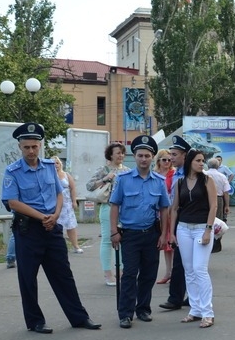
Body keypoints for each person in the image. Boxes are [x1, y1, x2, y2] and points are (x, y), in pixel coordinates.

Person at [1, 123, 101, 333]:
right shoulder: (13, 171)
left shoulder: (49, 167)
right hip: (29, 230)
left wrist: (54, 216)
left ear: (40, 146)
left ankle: (79, 317)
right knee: (28, 278)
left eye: (34, 146)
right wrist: (42, 217)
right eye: (27, 147)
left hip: (52, 228)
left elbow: (58, 193)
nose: (31, 151)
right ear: (20, 147)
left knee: (63, 275)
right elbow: (12, 202)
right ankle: (35, 321)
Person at [109, 136, 170, 328]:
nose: (143, 159)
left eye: (147, 156)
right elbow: (114, 206)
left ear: (153, 158)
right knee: (129, 274)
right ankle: (125, 313)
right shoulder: (123, 180)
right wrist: (113, 232)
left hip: (151, 233)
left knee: (149, 274)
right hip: (130, 234)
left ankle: (143, 309)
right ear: (134, 157)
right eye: (140, 155)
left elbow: (164, 209)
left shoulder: (159, 181)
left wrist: (163, 235)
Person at [168, 149, 217, 328]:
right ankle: (195, 310)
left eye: (203, 160)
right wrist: (172, 232)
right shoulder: (179, 182)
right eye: (198, 160)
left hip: (201, 229)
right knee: (188, 270)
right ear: (190, 161)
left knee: (199, 269)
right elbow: (174, 208)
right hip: (183, 229)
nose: (201, 163)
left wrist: (208, 230)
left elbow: (214, 206)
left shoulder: (207, 180)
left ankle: (207, 312)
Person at [87, 142, 130, 286]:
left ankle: (123, 272)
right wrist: (106, 178)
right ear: (110, 155)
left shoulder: (127, 170)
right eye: (118, 153)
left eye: (122, 153)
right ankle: (108, 274)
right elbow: (89, 185)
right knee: (107, 240)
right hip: (108, 207)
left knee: (124, 240)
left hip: (125, 209)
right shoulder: (104, 169)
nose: (121, 155)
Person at [159, 136, 191, 311]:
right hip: (176, 218)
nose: (171, 158)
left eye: (175, 154)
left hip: (189, 219)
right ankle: (177, 297)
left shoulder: (191, 174)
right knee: (180, 261)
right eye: (170, 154)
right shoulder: (174, 173)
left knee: (189, 263)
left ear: (184, 156)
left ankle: (183, 297)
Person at [52, 156, 83, 253]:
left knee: (71, 225)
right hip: (55, 205)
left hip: (67, 204)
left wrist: (74, 201)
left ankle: (76, 246)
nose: (55, 165)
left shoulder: (66, 174)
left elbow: (73, 188)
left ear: (60, 164)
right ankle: (59, 248)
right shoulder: (49, 175)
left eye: (57, 163)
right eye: (53, 163)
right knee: (57, 226)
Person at [154, 149, 175, 284]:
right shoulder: (155, 174)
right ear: (158, 161)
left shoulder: (174, 174)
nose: (167, 162)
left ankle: (174, 272)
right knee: (165, 245)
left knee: (172, 243)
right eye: (164, 160)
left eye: (169, 159)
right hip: (159, 212)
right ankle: (168, 272)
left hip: (172, 211)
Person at [205, 157, 230, 253]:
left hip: (205, 199)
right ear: (218, 165)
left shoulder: (204, 174)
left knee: (206, 220)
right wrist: (227, 205)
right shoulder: (222, 176)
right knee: (218, 221)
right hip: (218, 199)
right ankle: (216, 243)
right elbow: (226, 192)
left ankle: (206, 241)